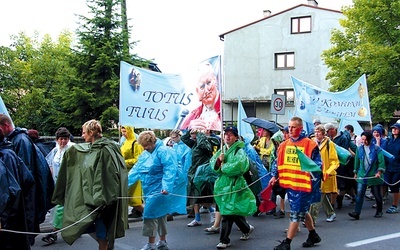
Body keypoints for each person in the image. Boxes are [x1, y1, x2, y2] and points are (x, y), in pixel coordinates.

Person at [52, 119, 128, 250]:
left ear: (91, 132)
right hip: (93, 199)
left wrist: (100, 199)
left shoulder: (105, 150)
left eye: (84, 132)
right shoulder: (95, 149)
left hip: (101, 201)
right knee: (95, 231)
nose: (82, 135)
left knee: (102, 235)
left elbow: (108, 177)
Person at [0, 114, 54, 246]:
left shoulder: (19, 142)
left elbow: (23, 179)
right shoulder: (17, 141)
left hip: (23, 202)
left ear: (5, 126)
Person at [269, 117, 322, 250]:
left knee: (295, 212)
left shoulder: (310, 144)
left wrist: (311, 170)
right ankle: (313, 235)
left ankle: (287, 242)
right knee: (302, 211)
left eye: (293, 127)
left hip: (304, 185)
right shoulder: (284, 145)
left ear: (300, 128)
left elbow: (318, 165)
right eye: (289, 127)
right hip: (291, 184)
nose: (290, 129)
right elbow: (277, 162)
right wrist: (274, 175)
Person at [127, 130, 184, 250]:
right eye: (143, 146)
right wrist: (125, 183)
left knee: (149, 214)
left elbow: (169, 169)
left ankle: (151, 243)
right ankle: (162, 241)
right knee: (161, 214)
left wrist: (166, 186)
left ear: (152, 142)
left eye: (146, 145)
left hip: (160, 189)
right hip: (149, 189)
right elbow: (136, 169)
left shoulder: (163, 151)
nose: (145, 148)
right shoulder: (145, 154)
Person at [210, 126, 256, 249]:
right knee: (231, 211)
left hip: (235, 185)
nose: (227, 137)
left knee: (227, 212)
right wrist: (219, 162)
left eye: (231, 135)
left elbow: (239, 167)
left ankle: (224, 240)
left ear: (236, 137)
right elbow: (213, 166)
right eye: (226, 134)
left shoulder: (239, 151)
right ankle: (246, 228)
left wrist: (224, 166)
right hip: (222, 186)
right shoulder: (222, 150)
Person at [0, 129, 35, 249]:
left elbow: (6, 193)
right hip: (15, 215)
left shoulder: (5, 157)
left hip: (9, 219)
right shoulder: (9, 154)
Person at [41, 127, 75, 244]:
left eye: (65, 139)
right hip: (57, 183)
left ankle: (54, 233)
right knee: (60, 208)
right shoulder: (56, 151)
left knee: (60, 208)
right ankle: (75, 227)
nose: (63, 142)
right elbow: (49, 164)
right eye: (61, 139)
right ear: (57, 139)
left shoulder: (72, 149)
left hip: (68, 183)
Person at [181, 129, 218, 227]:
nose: (192, 135)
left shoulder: (206, 143)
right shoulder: (194, 144)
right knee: (194, 195)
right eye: (192, 133)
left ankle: (212, 212)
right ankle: (197, 218)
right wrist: (190, 129)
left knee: (202, 195)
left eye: (194, 133)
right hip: (194, 171)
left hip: (203, 173)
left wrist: (200, 134)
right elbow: (183, 138)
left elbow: (206, 147)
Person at [348, 131, 385, 220]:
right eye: (362, 139)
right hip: (362, 174)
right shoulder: (359, 148)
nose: (363, 141)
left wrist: (379, 172)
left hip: (374, 175)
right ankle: (357, 212)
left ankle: (379, 210)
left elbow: (381, 162)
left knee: (377, 195)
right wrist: (355, 172)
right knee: (360, 194)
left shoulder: (377, 149)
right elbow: (357, 161)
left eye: (365, 139)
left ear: (370, 139)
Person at [309, 125, 339, 224]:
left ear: (323, 133)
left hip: (325, 175)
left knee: (318, 196)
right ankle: (330, 213)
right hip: (314, 174)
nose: (316, 134)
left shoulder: (329, 144)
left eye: (318, 132)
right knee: (322, 195)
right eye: (315, 132)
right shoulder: (311, 142)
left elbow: (335, 162)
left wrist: (328, 172)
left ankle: (311, 220)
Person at [180, 62, 221, 131]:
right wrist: (189, 130)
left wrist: (219, 129)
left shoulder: (225, 109)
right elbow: (181, 134)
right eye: (202, 86)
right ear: (197, 91)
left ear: (215, 81)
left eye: (208, 83)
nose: (206, 90)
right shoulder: (193, 115)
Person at [325, 122, 357, 209]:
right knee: (341, 184)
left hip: (343, 165)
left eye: (327, 131)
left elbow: (344, 152)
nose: (326, 133)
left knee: (343, 184)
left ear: (332, 130)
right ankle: (352, 197)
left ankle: (339, 201)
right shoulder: (330, 139)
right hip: (334, 165)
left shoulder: (342, 138)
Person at [120, 126, 145, 219]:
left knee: (134, 200)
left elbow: (138, 159)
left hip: (134, 173)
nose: (123, 134)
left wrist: (124, 162)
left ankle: (149, 214)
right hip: (124, 172)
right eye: (122, 132)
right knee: (125, 198)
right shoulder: (125, 142)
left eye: (125, 131)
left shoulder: (136, 143)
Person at [382, 123, 400, 214]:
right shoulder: (388, 141)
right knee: (385, 183)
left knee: (394, 186)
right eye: (393, 128)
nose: (394, 130)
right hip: (388, 167)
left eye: (396, 128)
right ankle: (381, 201)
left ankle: (395, 205)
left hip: (398, 168)